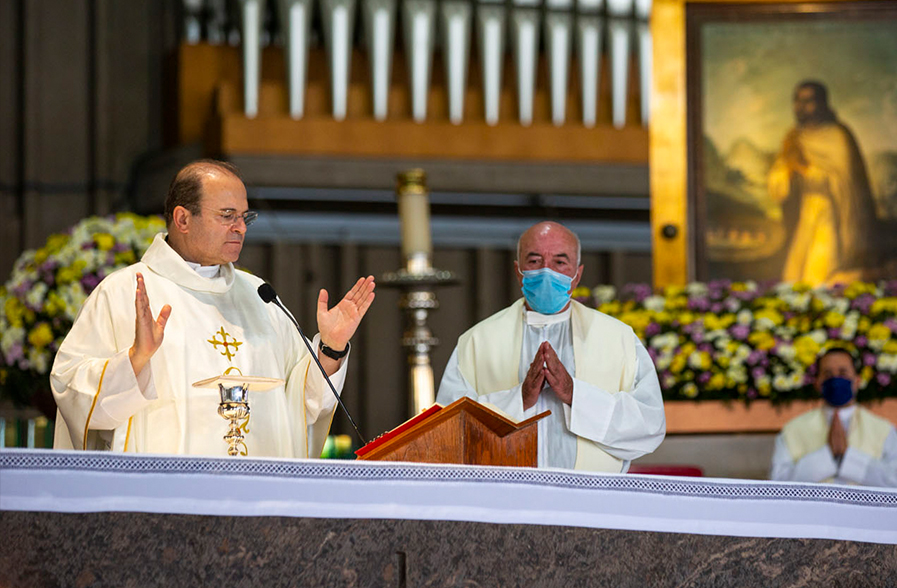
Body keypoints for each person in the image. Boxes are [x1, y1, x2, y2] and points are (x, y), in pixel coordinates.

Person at [50, 160, 375, 458]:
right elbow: (70, 389)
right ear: (183, 219)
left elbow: (302, 403)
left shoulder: (260, 297)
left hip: (257, 498)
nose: (241, 228)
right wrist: (135, 361)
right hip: (164, 501)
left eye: (244, 217)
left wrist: (331, 348)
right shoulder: (124, 293)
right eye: (227, 216)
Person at [435, 221, 666, 472]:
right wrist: (518, 401)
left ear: (577, 275)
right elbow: (448, 434)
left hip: (591, 500)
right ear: (517, 270)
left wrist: (575, 395)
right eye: (534, 261)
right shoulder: (478, 341)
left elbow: (649, 427)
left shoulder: (618, 338)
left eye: (560, 262)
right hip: (507, 500)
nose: (547, 271)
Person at [767, 81, 878, 285]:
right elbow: (779, 176)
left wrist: (806, 171)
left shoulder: (838, 136)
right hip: (804, 213)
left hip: (830, 213)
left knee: (821, 270)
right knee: (795, 272)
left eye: (808, 101)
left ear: (821, 103)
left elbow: (844, 180)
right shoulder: (794, 138)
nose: (801, 107)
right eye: (798, 101)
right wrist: (787, 173)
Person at [770, 348, 897, 487]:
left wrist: (849, 456)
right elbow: (779, 481)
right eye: (827, 374)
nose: (835, 379)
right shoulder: (793, 430)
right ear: (818, 383)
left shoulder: (882, 429)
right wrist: (826, 455)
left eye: (843, 372)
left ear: (857, 380)